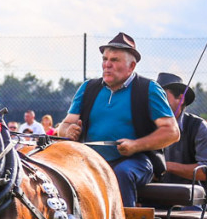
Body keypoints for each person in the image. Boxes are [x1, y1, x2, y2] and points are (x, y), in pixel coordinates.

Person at [56, 33, 178, 206]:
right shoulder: (88, 88)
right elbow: (65, 124)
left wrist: (136, 145)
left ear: (132, 66)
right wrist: (68, 131)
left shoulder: (148, 89)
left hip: (136, 161)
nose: (107, 65)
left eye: (115, 60)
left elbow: (172, 132)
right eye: (105, 59)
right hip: (91, 160)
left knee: (122, 173)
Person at [158, 72, 207, 191]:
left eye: (162, 97)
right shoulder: (148, 125)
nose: (156, 102)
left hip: (194, 199)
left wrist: (166, 166)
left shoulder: (199, 128)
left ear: (181, 98)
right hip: (153, 197)